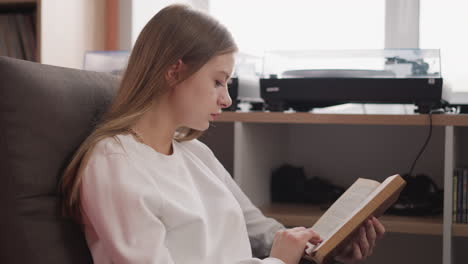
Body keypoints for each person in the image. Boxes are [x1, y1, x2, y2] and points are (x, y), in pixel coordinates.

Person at [60, 4, 385, 264]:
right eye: (218, 81)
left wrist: (319, 248)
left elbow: (261, 232)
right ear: (175, 71)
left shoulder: (195, 153)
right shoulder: (115, 163)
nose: (227, 99)